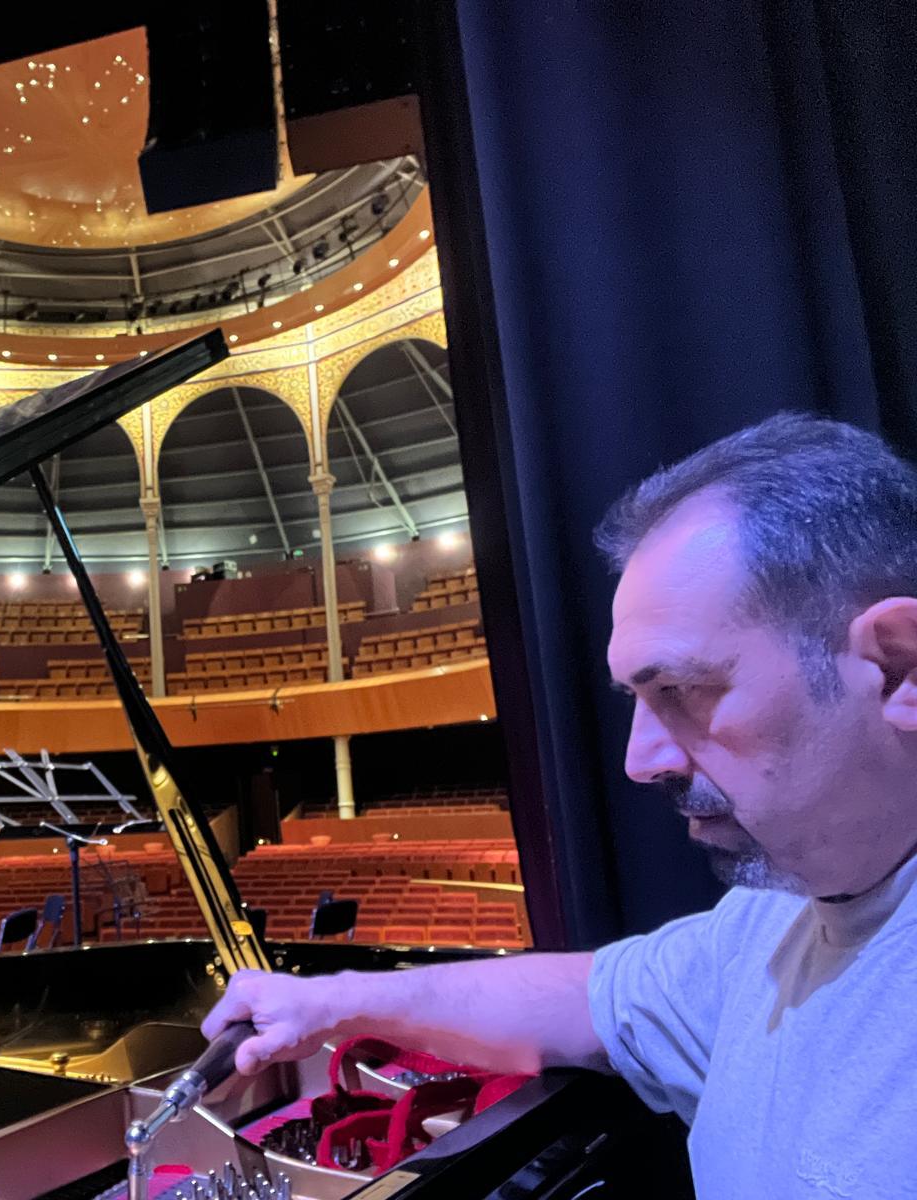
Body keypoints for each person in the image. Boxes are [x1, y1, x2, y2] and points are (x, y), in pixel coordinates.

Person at [203, 414, 917, 1198]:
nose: (640, 761)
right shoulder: (770, 920)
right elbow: (586, 999)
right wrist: (328, 1001)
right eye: (638, 700)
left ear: (895, 666)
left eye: (681, 690)